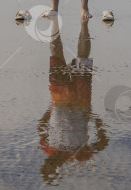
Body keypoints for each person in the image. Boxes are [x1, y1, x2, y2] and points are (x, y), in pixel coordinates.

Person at [37, 17, 108, 184]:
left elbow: (41, 127)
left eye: (47, 164)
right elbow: (102, 143)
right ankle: (84, 24)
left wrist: (49, 110)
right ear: (58, 169)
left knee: (56, 57)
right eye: (52, 166)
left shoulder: (47, 148)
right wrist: (96, 119)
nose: (50, 162)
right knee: (82, 58)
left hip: (58, 98)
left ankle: (55, 23)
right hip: (80, 101)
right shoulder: (79, 155)